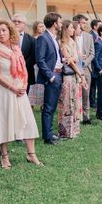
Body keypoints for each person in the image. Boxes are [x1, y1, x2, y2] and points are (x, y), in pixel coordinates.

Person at [0, 20, 41, 168]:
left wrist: (23, 85)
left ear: (10, 32)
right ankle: (4, 157)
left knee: (28, 120)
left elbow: (23, 70)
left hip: (20, 90)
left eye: (4, 30)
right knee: (4, 121)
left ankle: (31, 154)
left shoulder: (16, 49)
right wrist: (13, 88)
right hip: (4, 90)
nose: (1, 33)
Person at [35, 12, 63, 145]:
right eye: (60, 22)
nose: (61, 24)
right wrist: (50, 76)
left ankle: (51, 132)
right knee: (48, 107)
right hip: (52, 76)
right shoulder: (43, 38)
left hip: (58, 74)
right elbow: (40, 60)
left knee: (53, 107)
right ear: (54, 23)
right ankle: (48, 136)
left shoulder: (54, 37)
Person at [57, 20, 85, 138]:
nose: (73, 30)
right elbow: (70, 62)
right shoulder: (63, 44)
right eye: (71, 28)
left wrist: (72, 58)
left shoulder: (72, 42)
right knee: (67, 103)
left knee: (75, 102)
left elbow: (75, 59)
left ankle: (74, 129)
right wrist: (80, 74)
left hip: (74, 76)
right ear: (66, 29)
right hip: (68, 77)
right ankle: (65, 131)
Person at [73, 14, 95, 124]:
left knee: (86, 93)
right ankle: (75, 115)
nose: (85, 25)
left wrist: (84, 62)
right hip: (73, 68)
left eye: (86, 23)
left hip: (86, 68)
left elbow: (92, 53)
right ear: (76, 23)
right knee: (75, 93)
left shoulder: (89, 36)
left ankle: (86, 116)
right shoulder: (71, 35)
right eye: (83, 23)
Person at [12, 14, 36, 93]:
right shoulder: (6, 38)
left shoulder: (31, 40)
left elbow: (33, 56)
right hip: (10, 73)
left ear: (24, 24)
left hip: (26, 73)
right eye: (14, 21)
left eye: (19, 21)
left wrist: (22, 66)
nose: (16, 23)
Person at [28, 21, 46, 107]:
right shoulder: (32, 39)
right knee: (33, 86)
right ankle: (31, 104)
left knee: (42, 86)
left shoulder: (45, 38)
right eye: (40, 26)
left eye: (43, 26)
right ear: (36, 27)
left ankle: (43, 104)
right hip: (34, 65)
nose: (42, 28)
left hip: (42, 65)